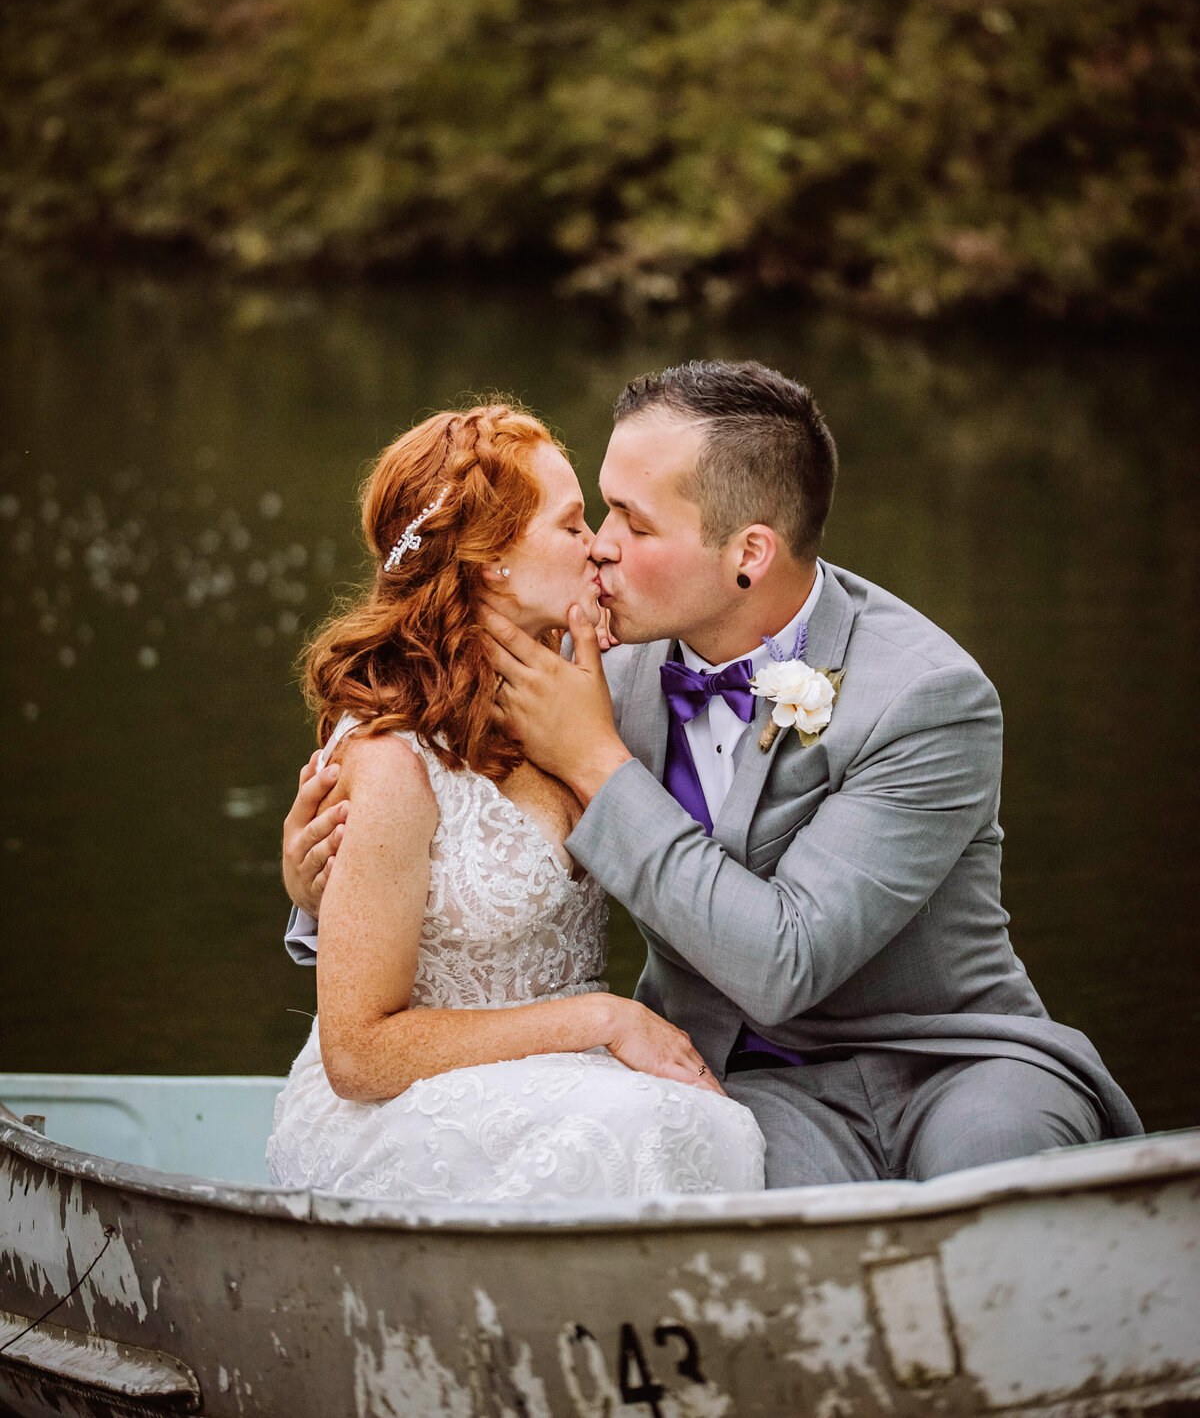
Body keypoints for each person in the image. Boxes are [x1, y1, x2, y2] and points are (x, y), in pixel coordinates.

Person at [286, 361, 1140, 1188]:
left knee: (998, 1180)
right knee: (767, 1219)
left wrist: (596, 761)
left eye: (634, 523)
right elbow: (430, 775)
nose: (601, 551)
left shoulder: (926, 698)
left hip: (953, 1057)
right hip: (743, 1076)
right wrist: (317, 881)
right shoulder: (592, 664)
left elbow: (786, 959)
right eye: (598, 511)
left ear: (750, 554)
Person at [266, 401, 765, 1202]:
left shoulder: (588, 683)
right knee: (634, 1133)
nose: (601, 544)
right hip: (415, 1106)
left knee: (692, 1123)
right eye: (573, 526)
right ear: (493, 559)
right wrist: (603, 1020)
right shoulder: (393, 758)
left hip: (577, 1083)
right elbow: (357, 1057)